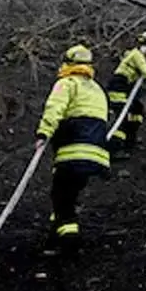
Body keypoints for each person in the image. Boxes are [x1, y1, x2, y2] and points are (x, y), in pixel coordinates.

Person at [35, 44, 110, 254]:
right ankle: (54, 237)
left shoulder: (66, 84)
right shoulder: (97, 89)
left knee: (61, 196)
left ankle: (69, 243)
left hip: (72, 153)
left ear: (67, 63)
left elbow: (54, 109)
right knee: (65, 197)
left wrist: (43, 133)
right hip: (95, 158)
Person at [106, 31, 146, 158]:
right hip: (118, 87)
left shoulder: (135, 56)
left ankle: (131, 137)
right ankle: (114, 148)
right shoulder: (136, 55)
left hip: (125, 88)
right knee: (122, 116)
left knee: (137, 108)